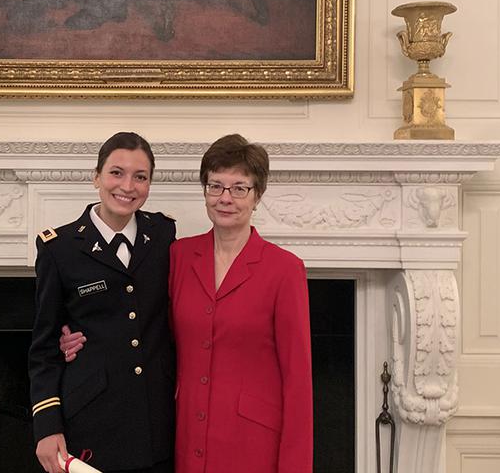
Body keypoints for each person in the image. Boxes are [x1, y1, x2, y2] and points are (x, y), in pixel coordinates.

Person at [62, 134, 313, 472]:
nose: (226, 198)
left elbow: (298, 381)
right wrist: (79, 336)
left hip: (254, 446)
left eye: (239, 188)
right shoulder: (178, 255)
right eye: (215, 186)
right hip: (186, 439)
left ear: (257, 196)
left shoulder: (284, 269)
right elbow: (141, 320)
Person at [29, 132, 176, 473]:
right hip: (93, 420)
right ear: (96, 176)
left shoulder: (164, 236)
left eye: (140, 177)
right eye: (116, 172)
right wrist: (47, 424)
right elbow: (44, 347)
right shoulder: (59, 248)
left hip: (156, 421)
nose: (128, 186)